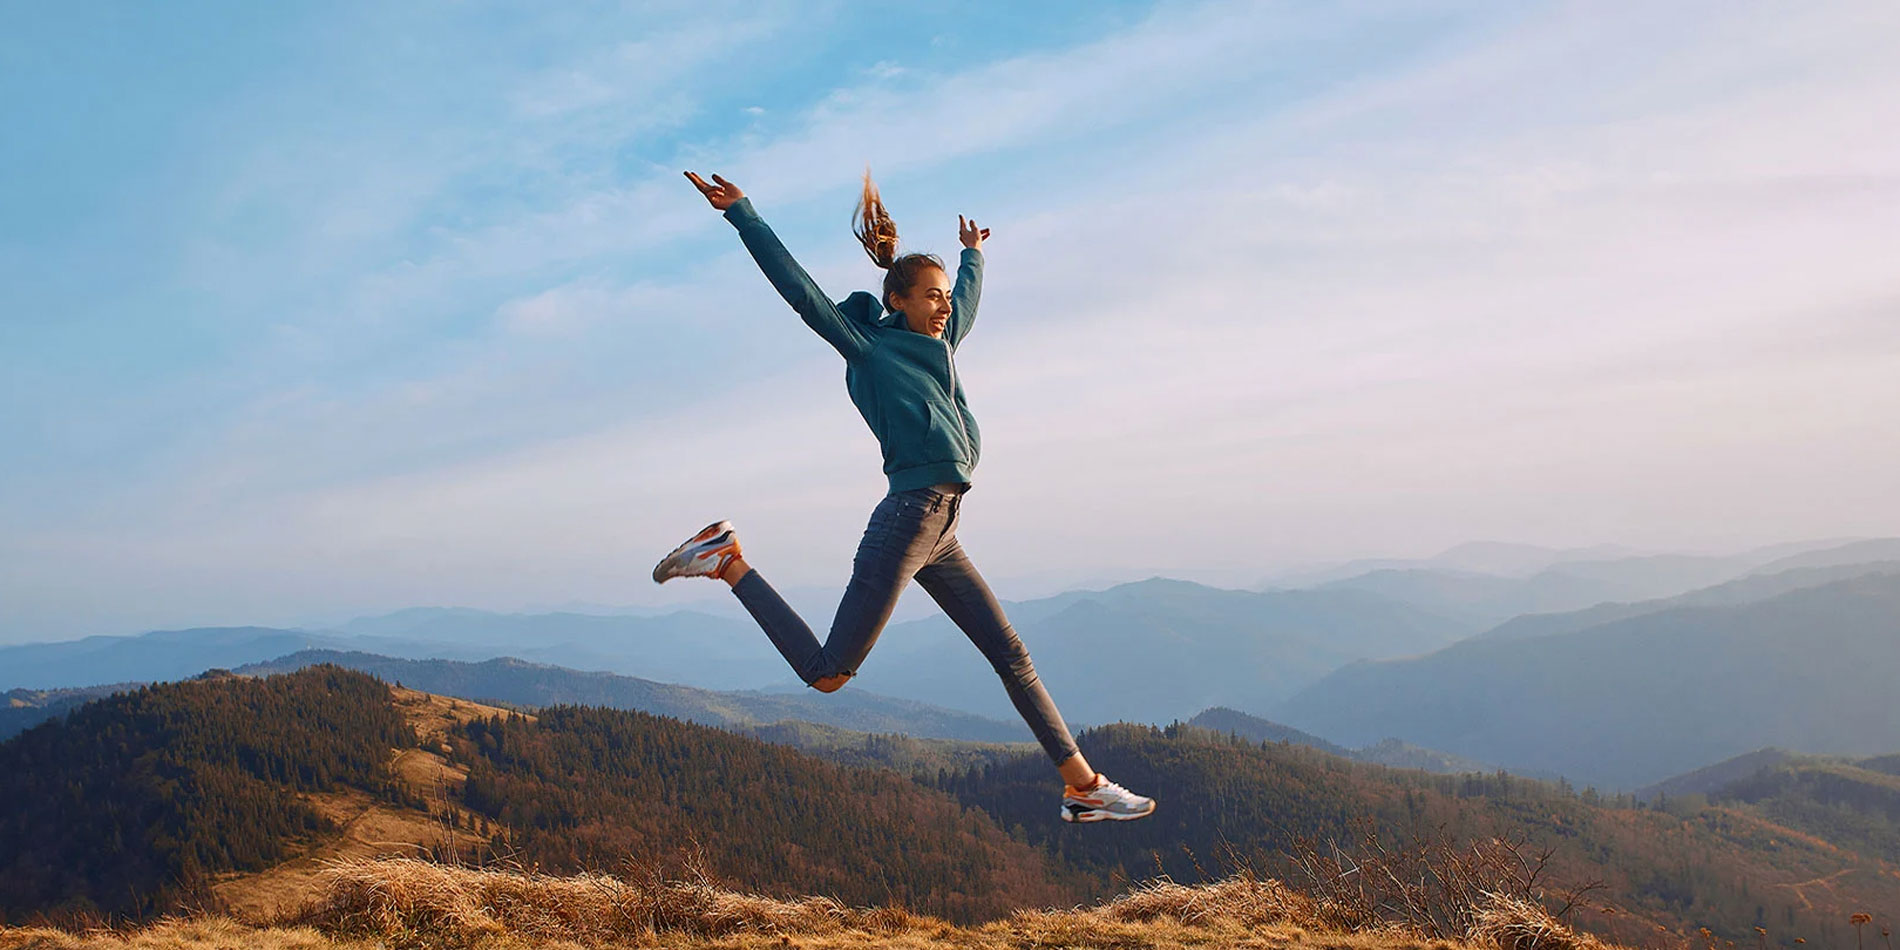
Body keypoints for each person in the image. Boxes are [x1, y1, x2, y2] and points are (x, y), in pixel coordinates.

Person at [653, 169, 1155, 823]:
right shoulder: (869, 346)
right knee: (829, 675)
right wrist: (744, 214)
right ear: (898, 299)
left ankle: (1083, 787)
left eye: (944, 298)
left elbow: (966, 304)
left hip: (941, 525)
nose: (944, 307)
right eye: (931, 297)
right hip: (910, 517)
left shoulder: (938, 344)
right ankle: (727, 560)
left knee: (1012, 655)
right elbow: (800, 291)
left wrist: (973, 254)